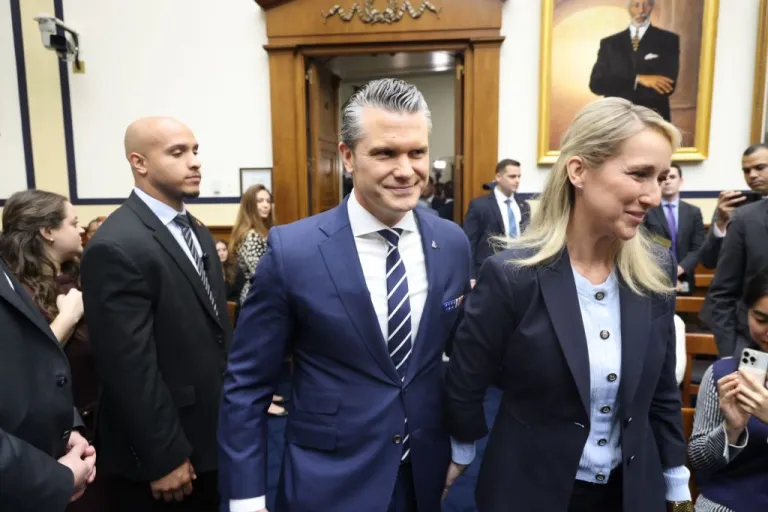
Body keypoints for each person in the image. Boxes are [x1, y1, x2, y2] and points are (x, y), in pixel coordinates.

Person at [218, 78, 474, 512]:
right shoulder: (292, 251)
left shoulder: (451, 243)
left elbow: (458, 355)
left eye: (417, 152)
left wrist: (463, 445)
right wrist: (246, 499)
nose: (406, 169)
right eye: (385, 153)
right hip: (328, 481)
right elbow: (246, 385)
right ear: (347, 157)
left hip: (423, 472)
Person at [444, 97, 693, 512]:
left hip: (631, 490)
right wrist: (461, 453)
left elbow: (660, 390)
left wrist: (676, 481)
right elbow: (466, 384)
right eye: (639, 175)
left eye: (661, 177)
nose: (652, 195)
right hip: (531, 489)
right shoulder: (512, 275)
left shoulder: (654, 270)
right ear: (579, 171)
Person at [80, 117, 232, 511]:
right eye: (177, 152)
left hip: (210, 433)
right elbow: (128, 366)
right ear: (139, 162)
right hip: (167, 449)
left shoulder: (194, 229)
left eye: (195, 150)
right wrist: (163, 456)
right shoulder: (117, 244)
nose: (195, 162)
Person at [0, 189, 107, 510]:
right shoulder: (17, 290)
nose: (81, 230)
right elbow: (26, 363)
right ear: (47, 232)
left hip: (80, 431)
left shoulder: (76, 278)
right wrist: (68, 318)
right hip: (35, 454)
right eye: (73, 223)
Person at [688, 267, 768, 511]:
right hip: (726, 502)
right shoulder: (724, 374)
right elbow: (700, 461)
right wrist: (730, 429)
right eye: (761, 319)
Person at [589, 0, 679, 121]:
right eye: (636, 5)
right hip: (616, 119)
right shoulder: (609, 44)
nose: (641, 10)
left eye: (646, 4)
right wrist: (638, 79)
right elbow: (597, 84)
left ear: (652, 6)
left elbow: (667, 87)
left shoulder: (668, 40)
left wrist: (617, 82)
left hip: (653, 120)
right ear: (628, 7)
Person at [698, 143, 768, 269]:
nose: (752, 175)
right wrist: (721, 224)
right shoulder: (731, 205)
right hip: (742, 286)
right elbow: (709, 260)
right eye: (746, 171)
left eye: (760, 167)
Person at [463, 158, 531, 284]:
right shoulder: (479, 206)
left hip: (518, 272)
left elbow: (526, 239)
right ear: (498, 177)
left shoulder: (523, 206)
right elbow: (469, 243)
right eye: (512, 176)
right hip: (488, 272)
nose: (517, 180)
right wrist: (470, 276)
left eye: (519, 176)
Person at [642, 164, 705, 293]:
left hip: (685, 278)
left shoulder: (693, 212)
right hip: (655, 278)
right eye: (663, 177)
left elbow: (698, 248)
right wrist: (667, 275)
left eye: (672, 177)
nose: (667, 181)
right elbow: (645, 245)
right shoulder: (647, 211)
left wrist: (678, 270)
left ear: (681, 181)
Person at [229, 184, 275, 305]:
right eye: (260, 201)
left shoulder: (263, 231)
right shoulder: (251, 235)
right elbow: (259, 272)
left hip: (263, 292)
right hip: (258, 295)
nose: (266, 205)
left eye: (268, 201)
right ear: (250, 205)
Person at [215, 239, 245, 303]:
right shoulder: (208, 270)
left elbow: (238, 294)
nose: (222, 253)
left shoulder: (236, 269)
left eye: (224, 250)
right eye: (218, 250)